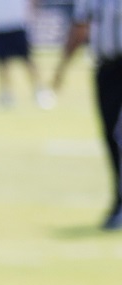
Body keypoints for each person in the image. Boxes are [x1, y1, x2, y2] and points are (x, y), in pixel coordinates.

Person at [51, 0, 122, 228]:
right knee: (111, 135)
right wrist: (62, 67)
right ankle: (119, 201)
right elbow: (80, 28)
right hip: (107, 69)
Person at [0, 0, 55, 107]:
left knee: (27, 60)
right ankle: (6, 93)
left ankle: (39, 90)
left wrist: (31, 16)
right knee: (2, 62)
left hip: (17, 23)